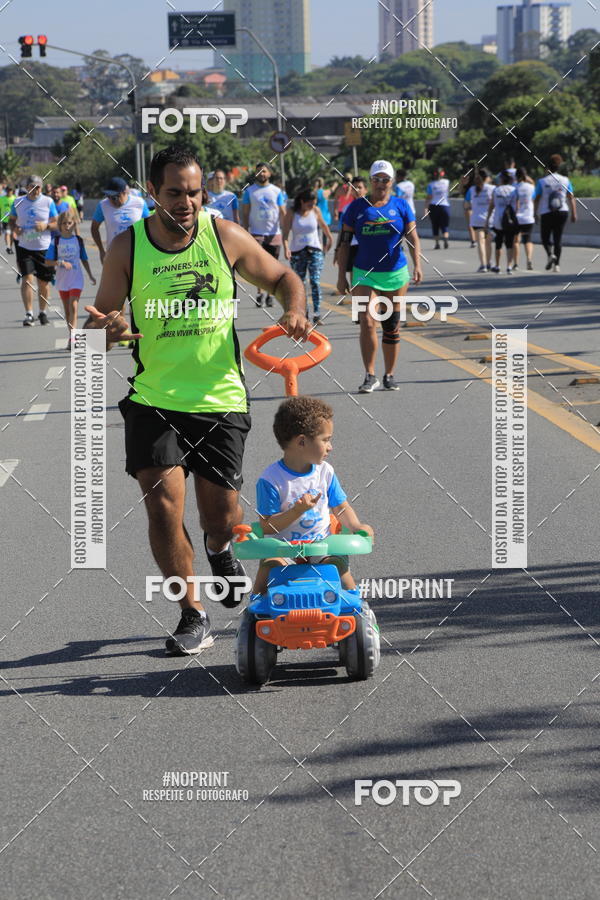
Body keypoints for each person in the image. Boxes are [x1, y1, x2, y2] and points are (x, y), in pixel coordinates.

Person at [84, 145, 310, 656]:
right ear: (152, 193)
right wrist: (111, 331)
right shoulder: (127, 247)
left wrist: (294, 309)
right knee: (163, 507)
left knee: (220, 517)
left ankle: (220, 548)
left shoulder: (221, 234)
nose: (186, 202)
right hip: (154, 399)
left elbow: (282, 277)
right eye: (174, 193)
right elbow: (95, 332)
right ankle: (192, 613)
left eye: (194, 192)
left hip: (219, 399)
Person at [252, 396, 374, 596]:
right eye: (325, 440)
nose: (330, 446)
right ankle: (254, 611)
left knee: (338, 568)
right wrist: (296, 511)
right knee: (269, 567)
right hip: (284, 549)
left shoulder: (325, 472)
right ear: (302, 441)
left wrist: (357, 526)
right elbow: (267, 525)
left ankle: (359, 609)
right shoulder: (271, 480)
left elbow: (340, 507)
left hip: (321, 545)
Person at [336, 159, 423, 393]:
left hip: (395, 274)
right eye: (376, 179)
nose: (381, 183)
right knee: (367, 321)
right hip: (365, 273)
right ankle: (370, 374)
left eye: (385, 180)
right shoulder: (356, 208)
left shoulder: (402, 206)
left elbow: (413, 237)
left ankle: (390, 374)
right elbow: (344, 244)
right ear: (370, 181)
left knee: (391, 325)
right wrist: (341, 276)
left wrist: (418, 265)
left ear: (392, 182)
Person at [9, 174, 58, 326]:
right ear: (27, 188)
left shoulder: (48, 201)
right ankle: (29, 313)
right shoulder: (18, 202)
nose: (36, 190)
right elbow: (11, 220)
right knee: (27, 279)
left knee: (43, 283)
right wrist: (15, 228)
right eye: (33, 187)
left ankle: (42, 312)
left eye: (39, 188)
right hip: (24, 246)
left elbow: (56, 222)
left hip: (43, 247)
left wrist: (46, 226)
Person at [45, 209, 96, 350]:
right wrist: (61, 263)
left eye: (70, 223)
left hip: (76, 278)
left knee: (73, 306)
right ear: (60, 225)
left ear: (74, 224)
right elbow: (48, 261)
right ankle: (71, 336)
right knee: (67, 310)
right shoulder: (55, 241)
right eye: (64, 223)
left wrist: (91, 275)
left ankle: (74, 339)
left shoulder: (78, 240)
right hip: (62, 279)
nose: (67, 225)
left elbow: (84, 258)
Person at [283, 188, 333, 325]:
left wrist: (330, 239)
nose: (312, 206)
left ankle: (317, 314)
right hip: (297, 252)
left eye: (314, 203)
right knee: (300, 284)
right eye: (309, 204)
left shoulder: (315, 211)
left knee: (315, 281)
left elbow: (323, 225)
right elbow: (286, 233)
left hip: (314, 250)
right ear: (302, 202)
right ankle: (303, 313)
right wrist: (286, 248)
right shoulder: (292, 213)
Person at [240, 162, 286, 308]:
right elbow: (245, 213)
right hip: (256, 233)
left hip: (274, 233)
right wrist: (245, 232)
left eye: (264, 171)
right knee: (259, 266)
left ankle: (270, 295)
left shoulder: (277, 191)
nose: (262, 174)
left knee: (273, 266)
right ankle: (260, 293)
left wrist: (286, 232)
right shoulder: (250, 191)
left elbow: (283, 212)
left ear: (269, 174)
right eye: (259, 171)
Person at [91, 176, 151, 264]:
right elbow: (94, 228)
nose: (111, 200)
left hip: (137, 254)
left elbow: (150, 226)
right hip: (114, 255)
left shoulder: (140, 203)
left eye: (114, 197)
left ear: (124, 192)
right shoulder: (103, 205)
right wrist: (101, 250)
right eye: (108, 196)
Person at [534, 154, 576, 274]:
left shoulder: (542, 182)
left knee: (545, 238)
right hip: (562, 211)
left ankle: (550, 254)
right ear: (558, 167)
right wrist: (574, 213)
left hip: (546, 212)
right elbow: (571, 198)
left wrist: (535, 213)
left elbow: (537, 198)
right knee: (558, 239)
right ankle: (556, 265)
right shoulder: (565, 180)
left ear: (547, 168)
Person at [333, 176, 367, 279]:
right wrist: (337, 251)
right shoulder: (347, 209)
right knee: (355, 281)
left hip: (368, 247)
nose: (357, 190)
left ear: (366, 190)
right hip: (353, 248)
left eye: (359, 187)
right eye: (354, 187)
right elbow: (343, 231)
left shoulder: (374, 207)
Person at [486, 171, 518, 274]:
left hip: (498, 221)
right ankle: (509, 266)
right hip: (510, 221)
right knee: (509, 244)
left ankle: (498, 265)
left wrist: (487, 219)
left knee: (498, 244)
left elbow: (492, 205)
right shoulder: (514, 190)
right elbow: (517, 206)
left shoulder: (496, 190)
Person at [464, 169, 494, 272]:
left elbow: (467, 205)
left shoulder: (471, 189)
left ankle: (483, 265)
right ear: (487, 178)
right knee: (488, 242)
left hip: (477, 219)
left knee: (480, 242)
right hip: (490, 219)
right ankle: (489, 263)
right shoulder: (492, 188)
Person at [512, 167, 535, 271]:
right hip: (528, 217)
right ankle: (529, 260)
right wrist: (527, 178)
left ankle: (516, 263)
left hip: (516, 218)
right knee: (528, 240)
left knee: (516, 241)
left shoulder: (513, 187)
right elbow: (533, 187)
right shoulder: (531, 187)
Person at [424, 168, 450, 249]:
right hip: (444, 205)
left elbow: (429, 197)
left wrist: (425, 209)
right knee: (444, 225)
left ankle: (437, 243)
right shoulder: (447, 182)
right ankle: (445, 238)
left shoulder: (431, 184)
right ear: (442, 174)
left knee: (435, 225)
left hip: (434, 206)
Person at [0, 185, 16, 254]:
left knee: (12, 234)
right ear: (6, 191)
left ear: (12, 191)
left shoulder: (15, 199)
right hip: (5, 220)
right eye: (8, 190)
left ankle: (10, 247)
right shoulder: (1, 199)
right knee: (7, 233)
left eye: (10, 190)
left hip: (13, 220)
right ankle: (8, 247)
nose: (9, 192)